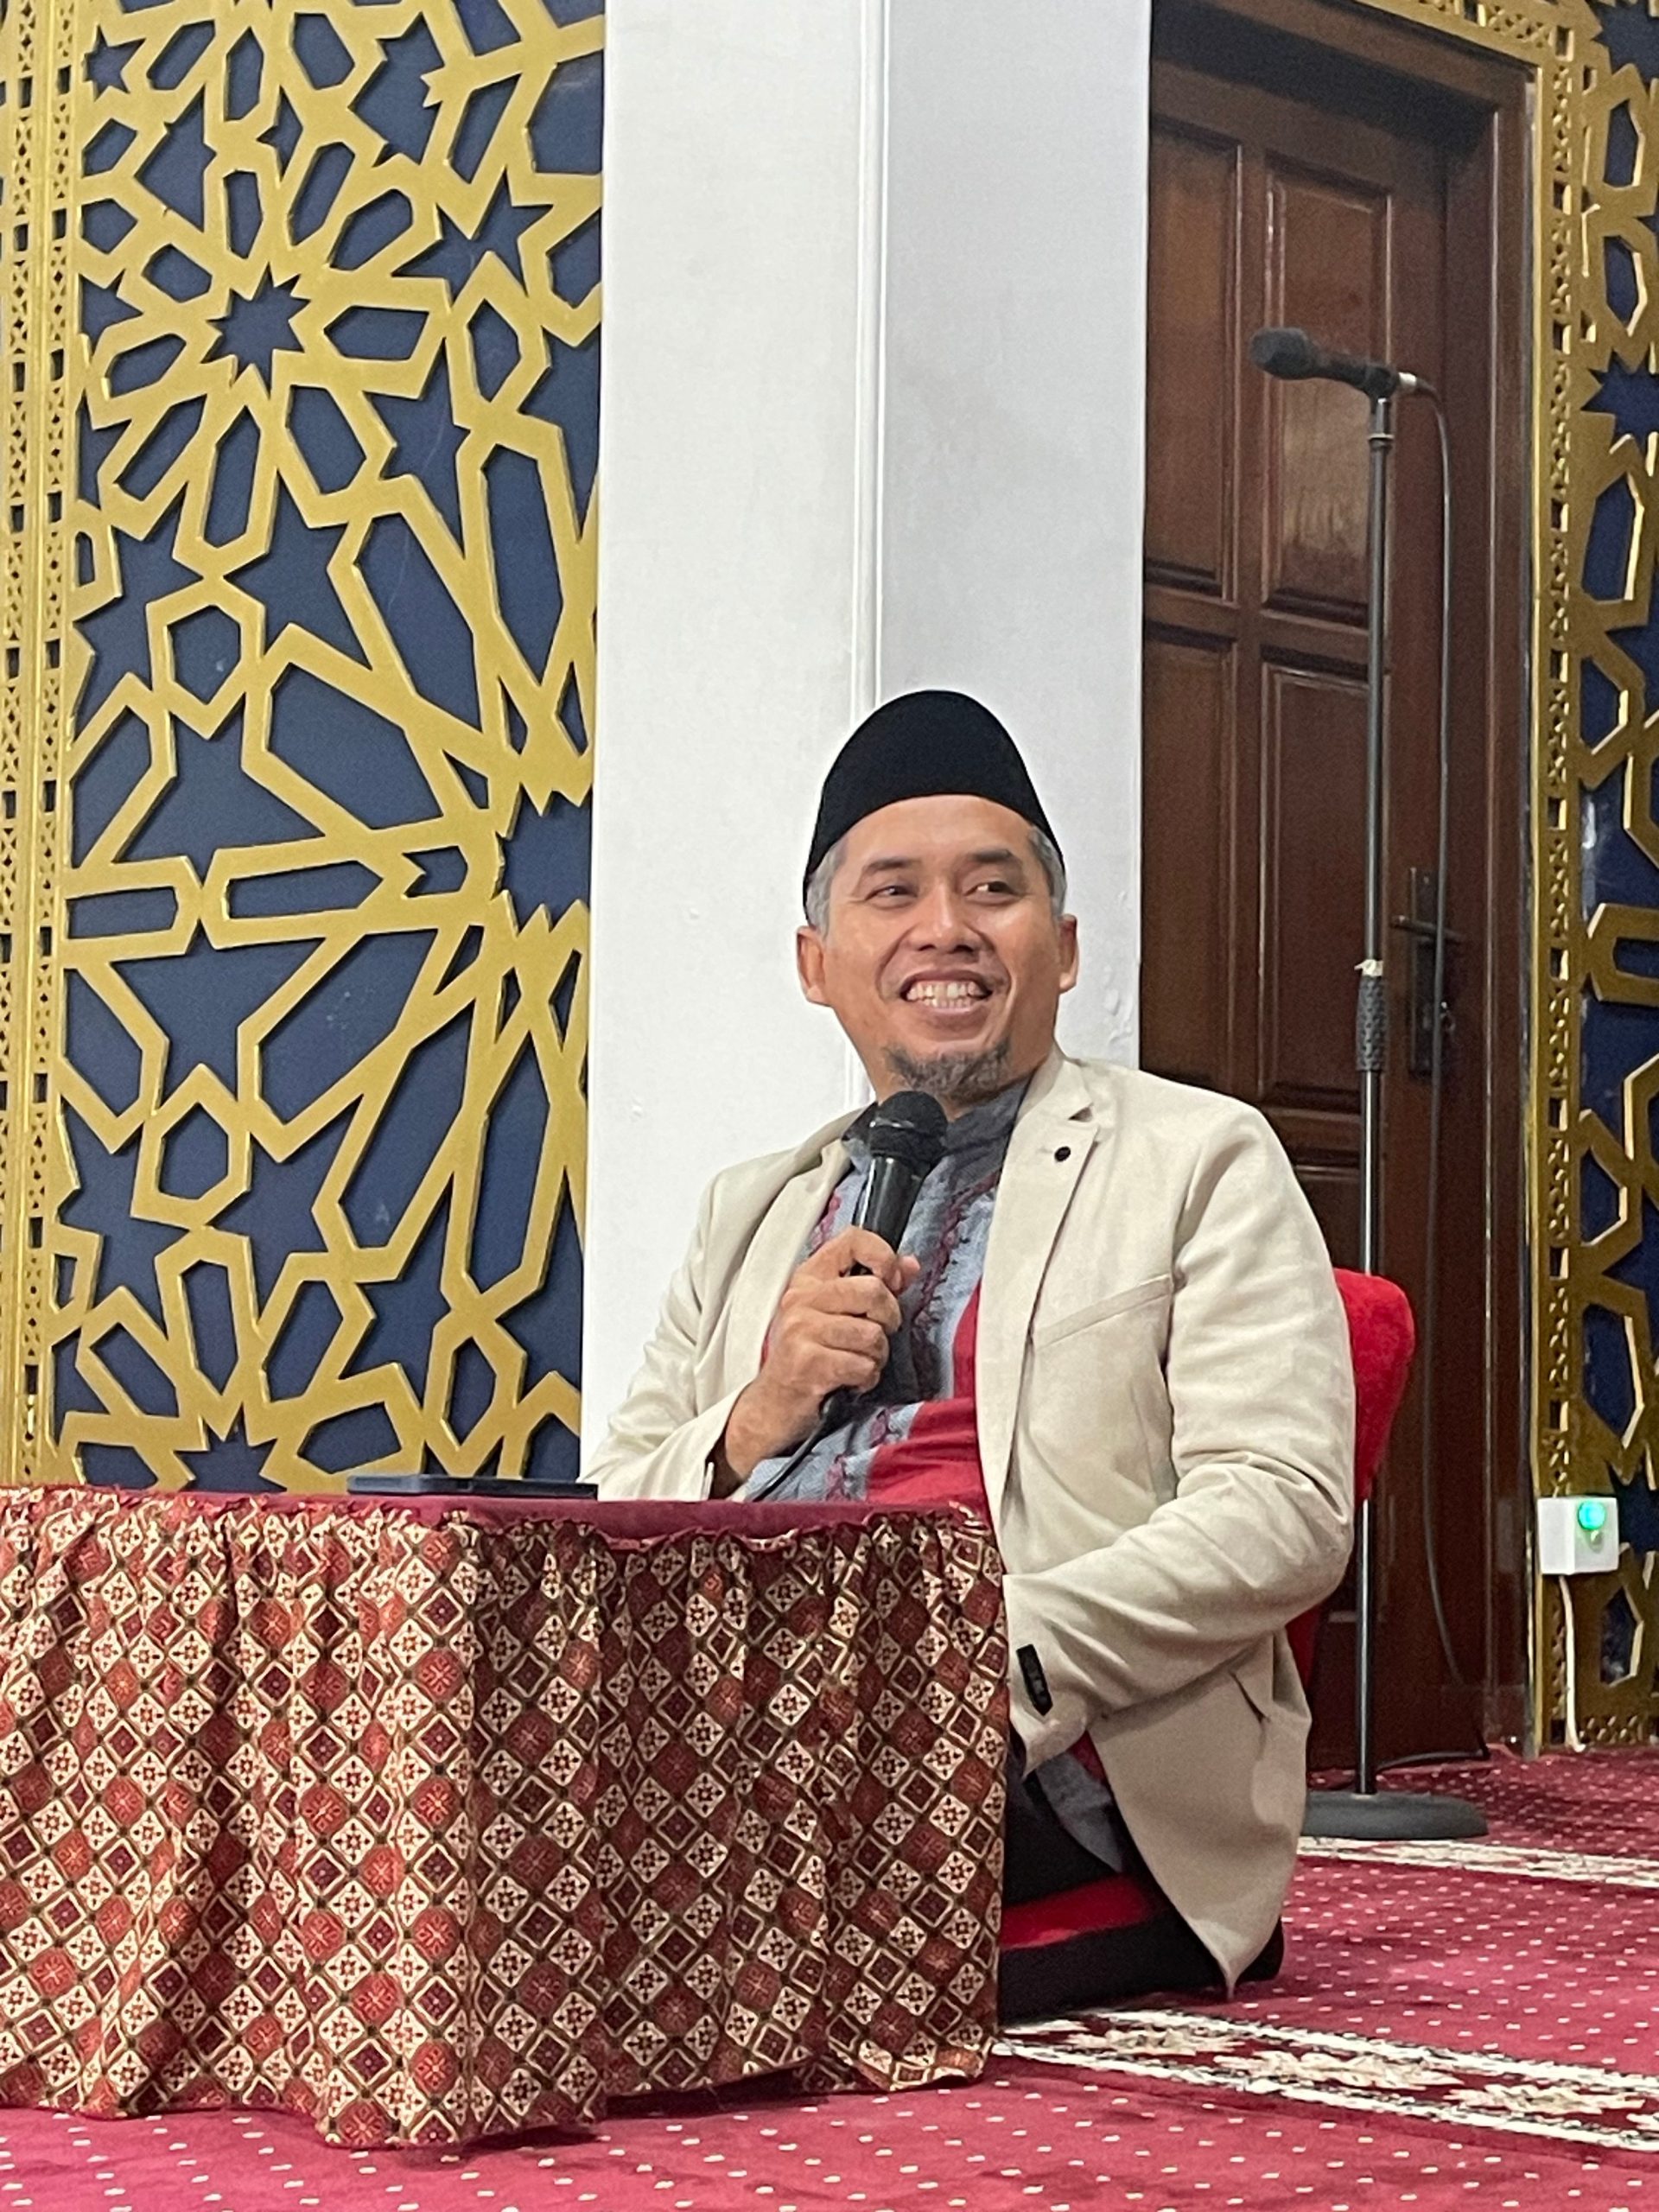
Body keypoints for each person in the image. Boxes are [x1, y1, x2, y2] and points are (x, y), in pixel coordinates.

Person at [589, 689, 1355, 2014]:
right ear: (816, 961)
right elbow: (607, 1510)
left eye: (992, 890)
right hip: (740, 1709)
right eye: (892, 892)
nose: (945, 927)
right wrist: (756, 1415)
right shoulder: (751, 1210)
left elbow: (1283, 1508)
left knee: (590, 1910)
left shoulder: (1198, 1160)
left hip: (1041, 1739)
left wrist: (994, 1660)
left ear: (1063, 947)